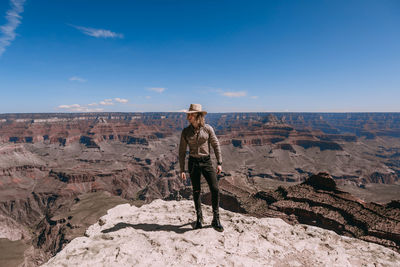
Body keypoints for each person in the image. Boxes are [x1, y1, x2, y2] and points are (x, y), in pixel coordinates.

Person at [179, 103, 224, 232]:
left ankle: (216, 219)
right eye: (188, 115)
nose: (189, 117)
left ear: (198, 116)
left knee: (215, 189)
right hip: (193, 163)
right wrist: (182, 169)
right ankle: (199, 218)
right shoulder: (186, 131)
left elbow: (216, 145)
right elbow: (182, 151)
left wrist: (219, 162)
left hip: (206, 162)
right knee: (196, 190)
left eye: (191, 115)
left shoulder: (208, 129)